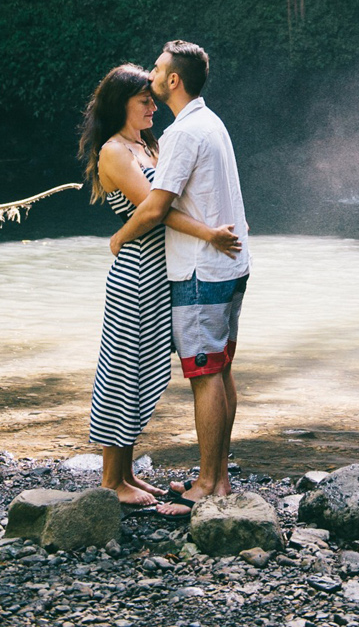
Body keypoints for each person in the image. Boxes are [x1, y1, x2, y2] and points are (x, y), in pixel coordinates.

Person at [79, 62, 241, 510]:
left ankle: (128, 473)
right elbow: (156, 210)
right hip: (135, 272)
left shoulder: (148, 144)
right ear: (121, 105)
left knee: (144, 374)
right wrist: (208, 234)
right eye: (143, 100)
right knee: (122, 371)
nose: (152, 105)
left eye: (152, 98)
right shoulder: (115, 151)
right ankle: (112, 479)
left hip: (162, 271)